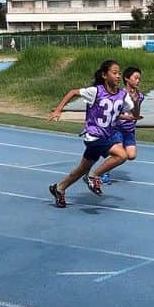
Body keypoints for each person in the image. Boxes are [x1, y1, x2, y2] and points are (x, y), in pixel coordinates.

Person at [46, 59, 135, 208]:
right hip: (94, 135)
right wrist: (58, 110)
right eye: (114, 73)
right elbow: (73, 92)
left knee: (82, 169)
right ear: (104, 75)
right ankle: (94, 176)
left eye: (119, 73)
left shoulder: (121, 96)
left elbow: (116, 113)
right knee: (122, 155)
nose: (118, 76)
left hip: (106, 135)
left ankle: (59, 188)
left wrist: (129, 116)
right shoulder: (95, 91)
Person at [102, 65, 144, 184]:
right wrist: (127, 117)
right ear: (126, 78)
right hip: (117, 129)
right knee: (120, 154)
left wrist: (136, 116)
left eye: (139, 79)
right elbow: (114, 113)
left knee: (131, 156)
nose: (138, 81)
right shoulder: (119, 95)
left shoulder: (140, 95)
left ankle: (107, 158)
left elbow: (136, 112)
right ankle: (104, 172)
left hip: (129, 130)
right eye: (135, 78)